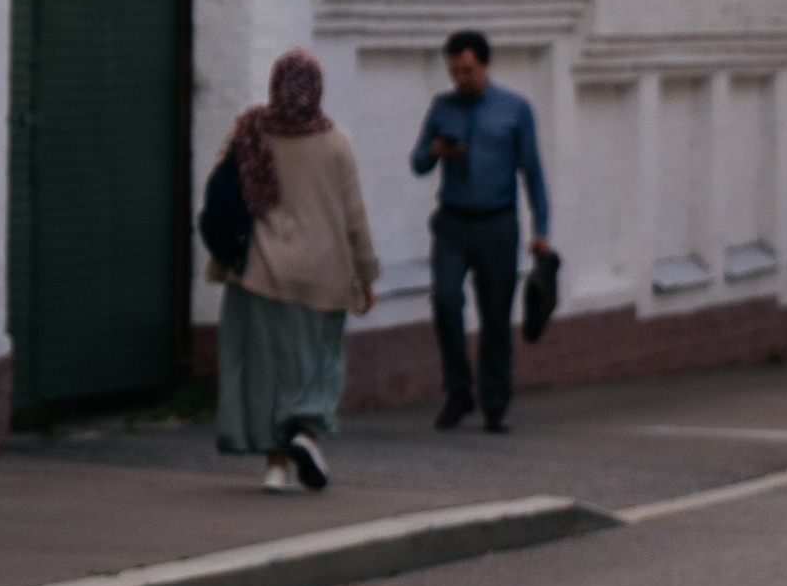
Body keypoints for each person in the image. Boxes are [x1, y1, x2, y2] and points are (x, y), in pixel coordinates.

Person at [210, 50, 377, 491]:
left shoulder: (248, 131)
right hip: (323, 275)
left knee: (266, 372)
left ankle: (275, 467)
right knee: (317, 365)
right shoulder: (336, 142)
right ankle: (305, 432)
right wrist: (367, 274)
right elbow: (354, 217)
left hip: (261, 272)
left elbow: (219, 191)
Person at [411, 30, 551, 435]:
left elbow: (533, 171)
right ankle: (458, 390)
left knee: (495, 315)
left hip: (497, 223)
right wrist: (436, 152)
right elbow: (418, 161)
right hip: (453, 222)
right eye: (454, 71)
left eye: (468, 70)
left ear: (486, 65)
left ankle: (495, 402)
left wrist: (541, 227)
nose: (461, 78)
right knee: (445, 300)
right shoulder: (442, 107)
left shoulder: (514, 109)